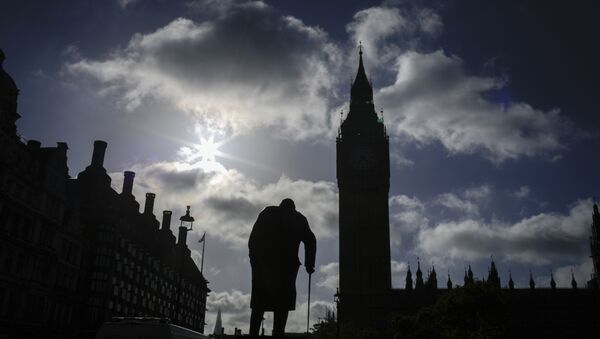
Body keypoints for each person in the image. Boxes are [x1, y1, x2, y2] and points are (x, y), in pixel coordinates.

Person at [248, 198, 317, 338]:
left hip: (264, 266)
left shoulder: (267, 213)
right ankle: (277, 334)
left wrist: (255, 259)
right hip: (286, 268)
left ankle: (253, 334)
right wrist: (309, 264)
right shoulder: (299, 219)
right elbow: (311, 241)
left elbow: (253, 239)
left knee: (259, 304)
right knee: (282, 305)